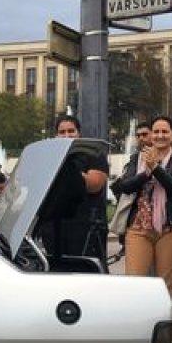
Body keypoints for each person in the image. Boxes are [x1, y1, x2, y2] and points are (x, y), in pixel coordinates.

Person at [112, 116, 172, 294]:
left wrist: (156, 168)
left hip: (171, 228)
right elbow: (125, 186)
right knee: (135, 285)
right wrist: (146, 173)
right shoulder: (137, 159)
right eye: (156, 131)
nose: (160, 135)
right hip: (139, 228)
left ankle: (163, 322)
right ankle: (139, 322)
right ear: (151, 135)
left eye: (165, 131)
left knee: (164, 287)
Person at [51, 114, 111, 267]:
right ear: (56, 135)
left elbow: (94, 184)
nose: (67, 135)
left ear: (79, 133)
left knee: (85, 272)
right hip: (53, 227)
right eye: (62, 132)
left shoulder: (95, 154)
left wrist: (68, 169)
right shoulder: (49, 158)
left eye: (71, 131)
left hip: (85, 227)